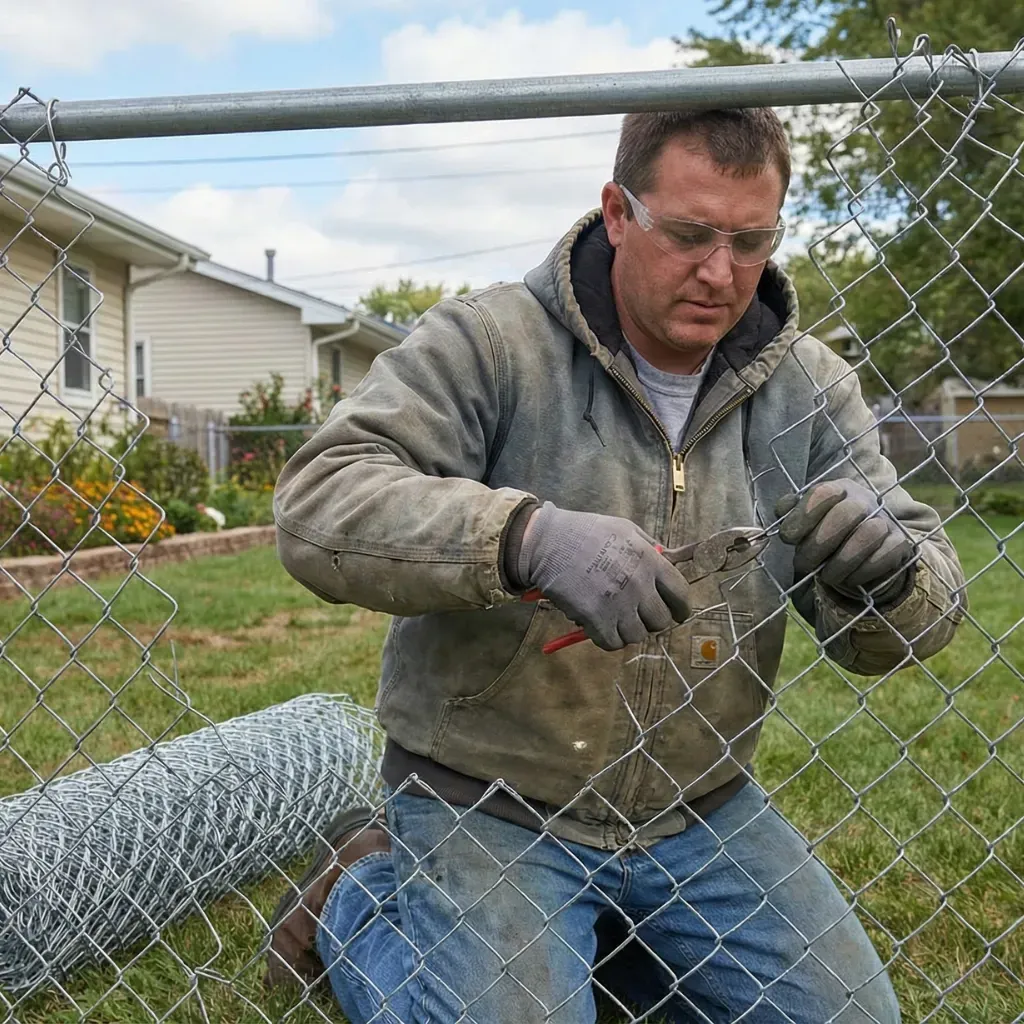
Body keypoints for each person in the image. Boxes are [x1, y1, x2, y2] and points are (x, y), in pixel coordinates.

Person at [267, 107, 966, 1024]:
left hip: (696, 808)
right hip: (491, 796)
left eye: (753, 241)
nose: (721, 273)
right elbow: (321, 499)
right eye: (689, 234)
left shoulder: (808, 386)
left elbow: (928, 601)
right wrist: (524, 538)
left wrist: (886, 577)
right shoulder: (491, 343)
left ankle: (590, 952)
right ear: (617, 210)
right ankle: (361, 903)